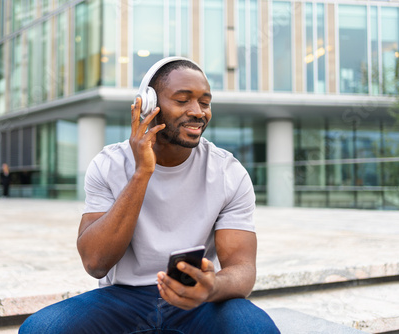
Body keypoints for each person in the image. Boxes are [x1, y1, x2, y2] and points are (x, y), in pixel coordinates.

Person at [19, 57, 279, 333]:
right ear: (148, 105)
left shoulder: (228, 171)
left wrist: (212, 287)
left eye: (204, 102)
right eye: (182, 100)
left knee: (257, 329)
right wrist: (142, 172)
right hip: (122, 298)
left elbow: (242, 269)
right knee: (40, 329)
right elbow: (95, 262)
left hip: (199, 301)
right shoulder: (109, 164)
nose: (198, 112)